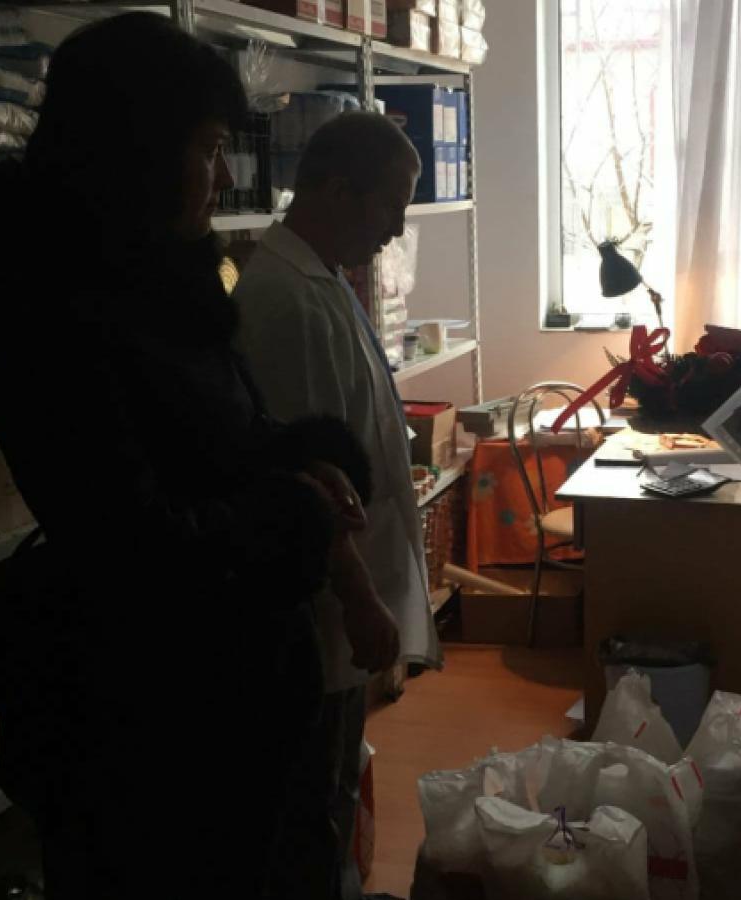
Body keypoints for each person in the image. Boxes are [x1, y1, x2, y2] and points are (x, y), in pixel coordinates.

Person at [0, 14, 394, 897]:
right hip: (153, 742)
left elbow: (225, 434)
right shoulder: (62, 323)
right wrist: (293, 512)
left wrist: (301, 457)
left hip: (231, 713)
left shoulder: (167, 290)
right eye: (210, 149)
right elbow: (134, 546)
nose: (224, 177)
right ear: (137, 150)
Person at [234, 111, 441, 899]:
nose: (395, 228)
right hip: (323, 609)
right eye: (391, 204)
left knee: (335, 787)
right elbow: (306, 479)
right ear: (336, 189)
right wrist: (359, 598)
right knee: (312, 802)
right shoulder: (285, 299)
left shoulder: (322, 278)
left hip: (347, 604)